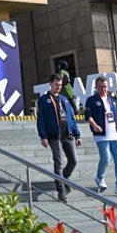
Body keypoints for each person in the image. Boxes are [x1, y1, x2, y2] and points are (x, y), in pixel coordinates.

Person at [36, 73, 82, 203]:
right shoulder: (44, 100)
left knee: (73, 160)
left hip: (68, 134)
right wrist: (43, 136)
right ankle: (61, 191)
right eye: (56, 84)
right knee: (59, 162)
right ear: (50, 83)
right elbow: (41, 119)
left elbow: (71, 118)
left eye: (60, 85)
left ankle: (65, 177)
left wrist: (77, 134)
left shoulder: (64, 99)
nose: (58, 87)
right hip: (54, 135)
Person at [85, 76, 117, 197]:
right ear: (96, 87)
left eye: (105, 87)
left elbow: (114, 114)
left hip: (114, 134)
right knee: (105, 159)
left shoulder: (111, 99)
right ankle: (100, 177)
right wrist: (95, 126)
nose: (103, 89)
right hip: (101, 135)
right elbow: (88, 115)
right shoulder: (91, 100)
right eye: (101, 87)